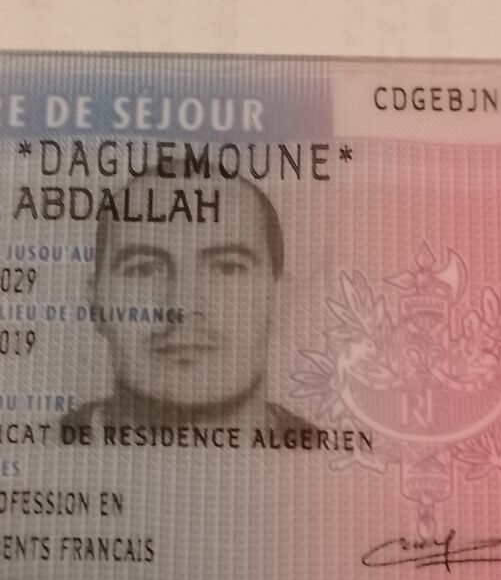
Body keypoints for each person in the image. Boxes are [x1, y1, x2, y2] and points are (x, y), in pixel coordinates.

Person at [63, 174, 320, 434]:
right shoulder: (46, 443)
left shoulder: (326, 452)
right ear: (96, 304)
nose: (182, 306)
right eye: (143, 269)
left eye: (227, 268)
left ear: (280, 301)